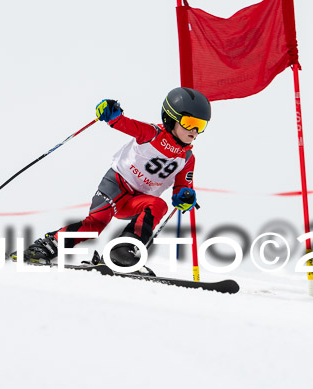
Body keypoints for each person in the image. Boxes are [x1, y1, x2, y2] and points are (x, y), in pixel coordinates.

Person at [14, 87, 211, 268]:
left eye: (200, 126)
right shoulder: (152, 134)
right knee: (95, 225)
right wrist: (110, 112)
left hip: (136, 200)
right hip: (116, 186)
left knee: (158, 205)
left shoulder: (187, 158)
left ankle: (123, 252)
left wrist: (185, 197)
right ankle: (47, 246)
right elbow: (121, 123)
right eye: (189, 123)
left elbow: (182, 188)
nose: (194, 131)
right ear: (170, 118)